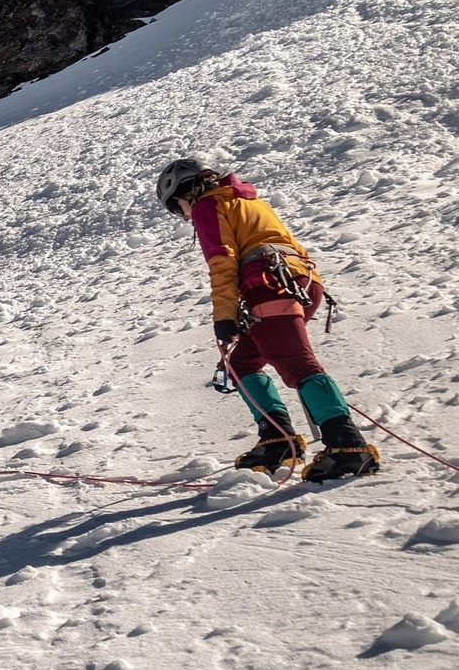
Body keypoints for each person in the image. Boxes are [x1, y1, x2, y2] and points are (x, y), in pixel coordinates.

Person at [157, 159, 379, 481]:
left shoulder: (208, 204)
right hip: (301, 282)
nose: (184, 216)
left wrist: (225, 315)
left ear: (185, 192)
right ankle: (276, 438)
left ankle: (347, 446)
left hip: (269, 284)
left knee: (296, 362)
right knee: (241, 361)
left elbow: (222, 261)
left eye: (178, 208)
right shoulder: (247, 200)